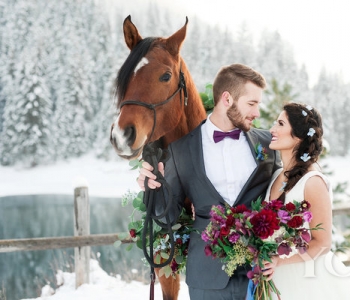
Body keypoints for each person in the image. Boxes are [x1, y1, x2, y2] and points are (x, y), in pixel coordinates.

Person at [137, 63, 282, 300]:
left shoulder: (268, 144)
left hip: (261, 273)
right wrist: (152, 188)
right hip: (206, 276)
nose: (257, 113)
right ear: (227, 99)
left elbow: (285, 197)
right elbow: (167, 215)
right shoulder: (181, 150)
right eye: (252, 103)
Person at [262, 102, 350, 299]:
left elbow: (323, 243)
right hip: (276, 280)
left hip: (306, 280)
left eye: (280, 124)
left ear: (299, 136)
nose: (272, 129)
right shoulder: (276, 175)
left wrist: (280, 260)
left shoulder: (312, 181)